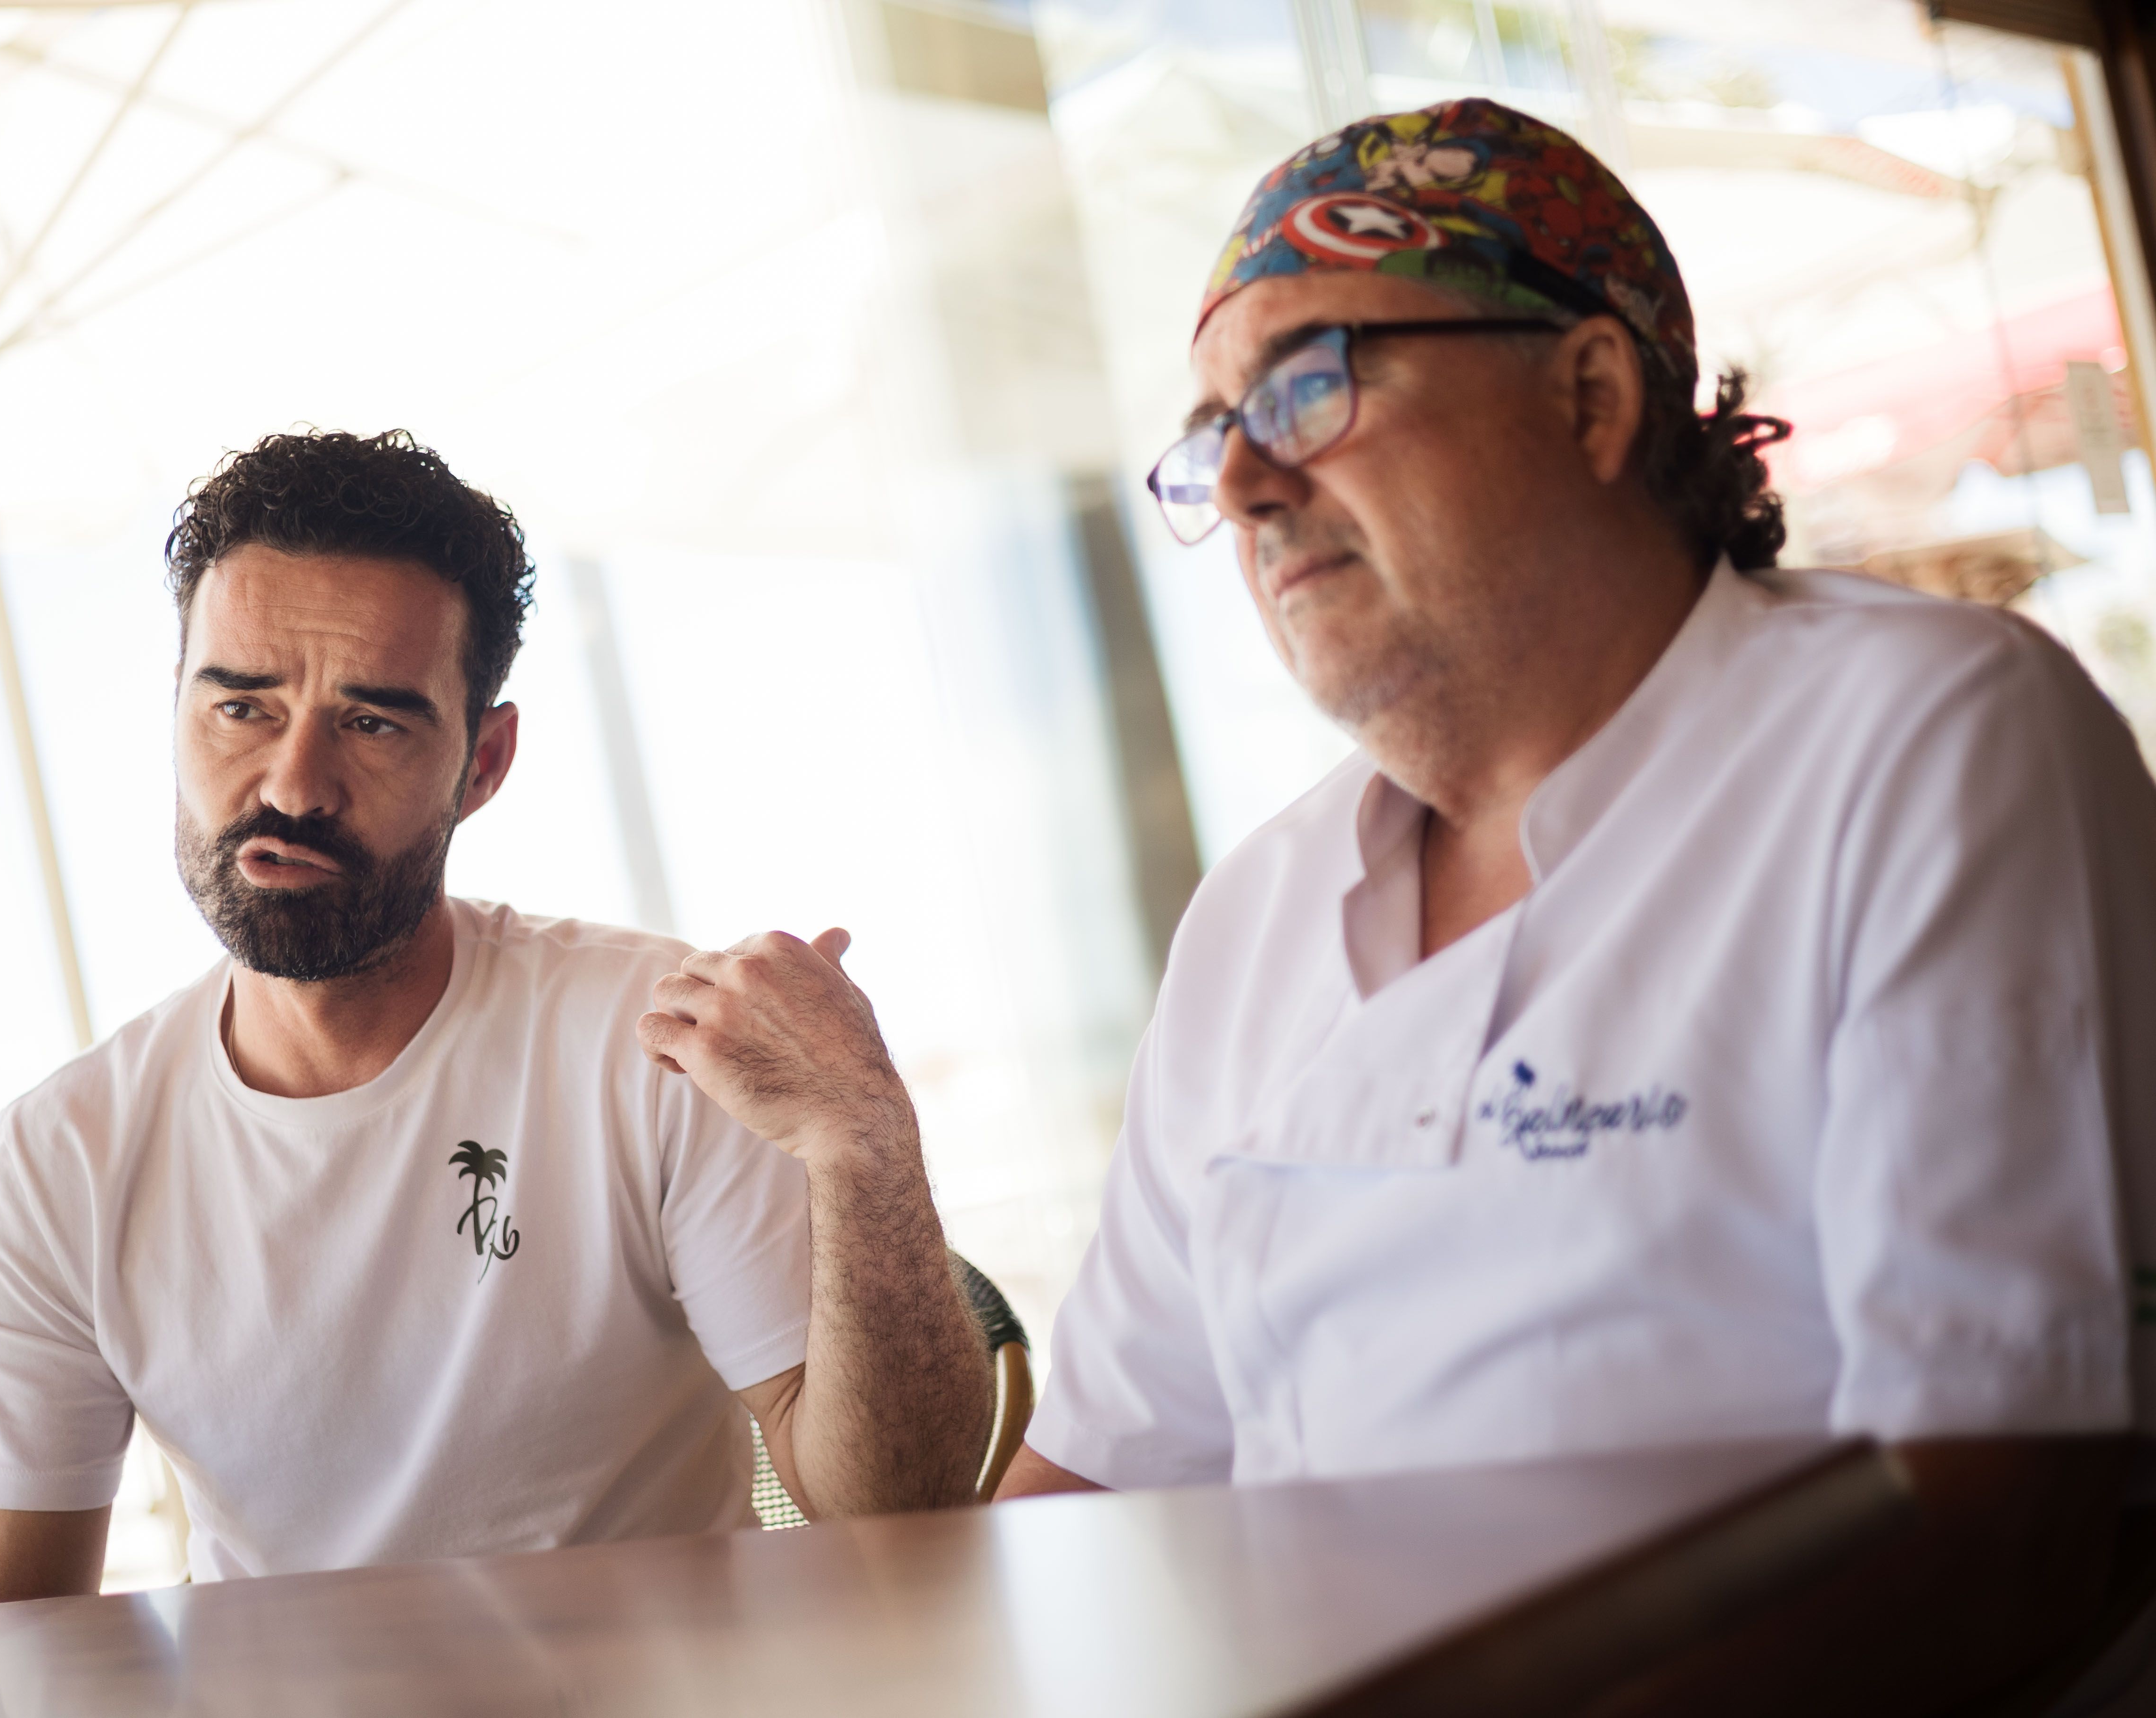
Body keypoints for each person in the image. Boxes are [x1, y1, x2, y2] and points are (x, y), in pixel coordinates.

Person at [666, 101, 2156, 1712]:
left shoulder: (1921, 735)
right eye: (1215, 424)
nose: (1237, 480)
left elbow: (2006, 1514)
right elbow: (1100, 1486)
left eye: (1309, 385)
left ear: (1589, 395)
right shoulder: (1253, 916)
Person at [0, 430, 990, 1603]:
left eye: (373, 723)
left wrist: (868, 1150)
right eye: (242, 709)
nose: (293, 785)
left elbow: (903, 1508)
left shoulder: (657, 1049)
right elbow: (7, 1643)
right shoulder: (63, 1158)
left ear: (483, 763)